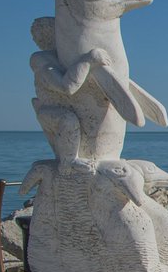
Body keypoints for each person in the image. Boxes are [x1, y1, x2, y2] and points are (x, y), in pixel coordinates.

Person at [28, 16, 110, 173]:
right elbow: (67, 87)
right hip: (52, 113)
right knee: (67, 119)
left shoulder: (68, 57)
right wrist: (87, 60)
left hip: (74, 111)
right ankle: (69, 161)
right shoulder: (40, 59)